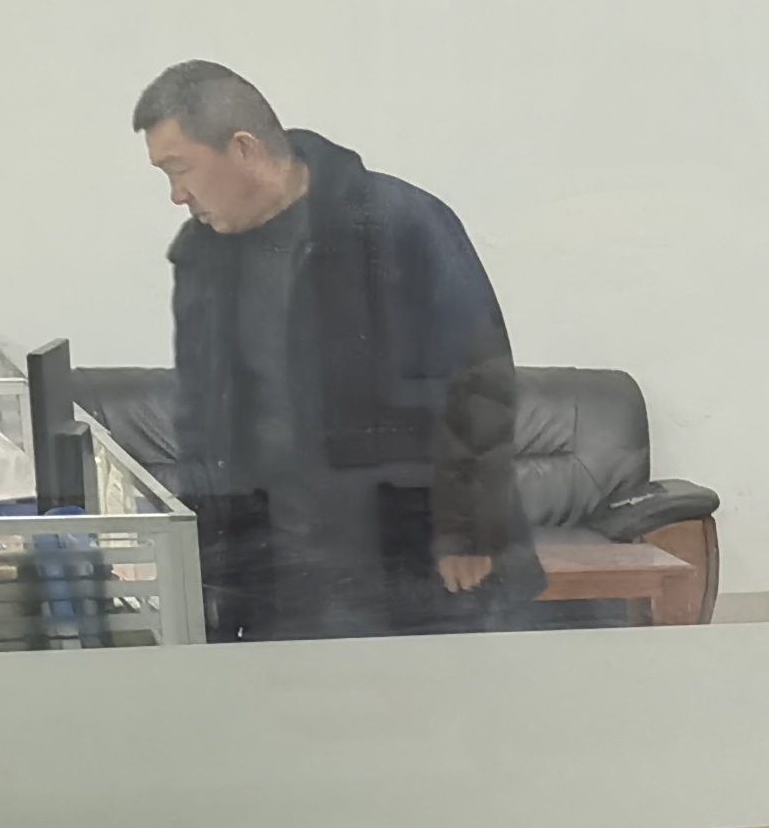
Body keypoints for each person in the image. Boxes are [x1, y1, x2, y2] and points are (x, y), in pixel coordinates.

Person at [135, 60, 541, 640]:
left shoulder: (394, 223)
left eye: (180, 170)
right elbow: (201, 413)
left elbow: (479, 377)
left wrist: (470, 528)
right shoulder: (202, 256)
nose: (177, 195)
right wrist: (199, 554)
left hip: (401, 558)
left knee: (417, 696)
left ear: (243, 149)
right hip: (267, 568)